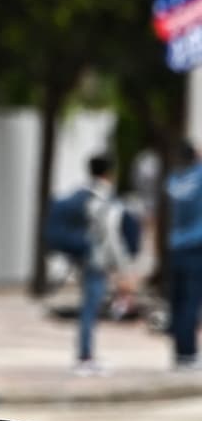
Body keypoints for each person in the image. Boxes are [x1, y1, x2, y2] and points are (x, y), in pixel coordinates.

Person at [65, 154, 136, 376]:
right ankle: (86, 357)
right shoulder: (107, 200)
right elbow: (112, 238)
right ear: (109, 173)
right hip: (98, 260)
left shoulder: (82, 195)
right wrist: (123, 269)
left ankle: (85, 355)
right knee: (91, 308)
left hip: (82, 257)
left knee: (88, 305)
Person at [165, 140, 202, 370]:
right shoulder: (199, 178)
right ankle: (189, 353)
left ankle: (179, 353)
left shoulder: (174, 181)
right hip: (196, 246)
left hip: (176, 245)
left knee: (177, 302)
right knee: (191, 301)